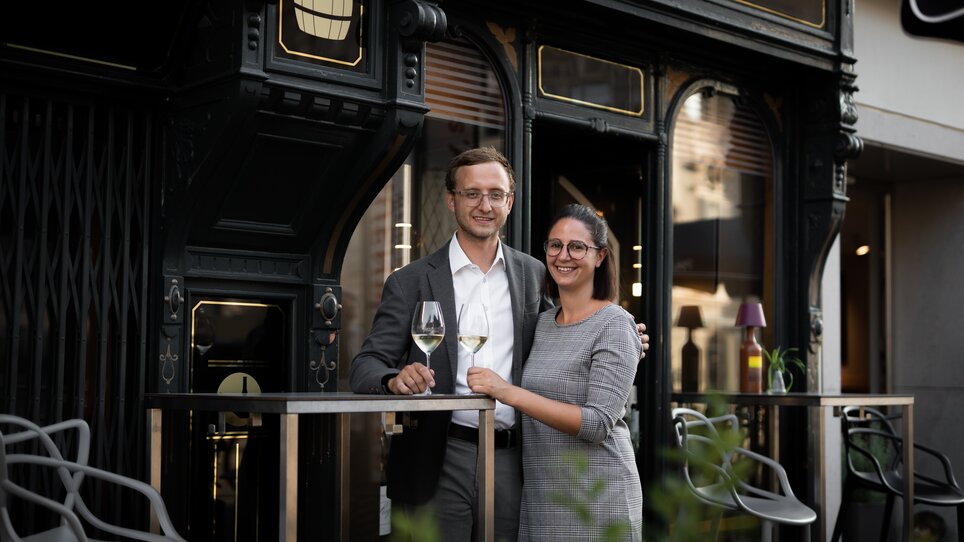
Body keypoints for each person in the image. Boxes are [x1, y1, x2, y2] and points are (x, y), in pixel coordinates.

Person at [349, 147, 648, 541]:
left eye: (495, 194)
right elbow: (364, 365)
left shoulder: (534, 274)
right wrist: (393, 379)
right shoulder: (411, 281)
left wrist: (625, 334)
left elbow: (567, 329)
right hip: (440, 456)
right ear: (451, 200)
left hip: (518, 460)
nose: (484, 205)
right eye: (472, 193)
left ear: (509, 202)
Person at [467, 203, 643, 541]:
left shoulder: (616, 324)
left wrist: (507, 392)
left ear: (600, 256)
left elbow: (596, 424)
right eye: (555, 245)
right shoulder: (544, 322)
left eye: (577, 246)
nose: (564, 255)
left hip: (597, 493)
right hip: (542, 493)